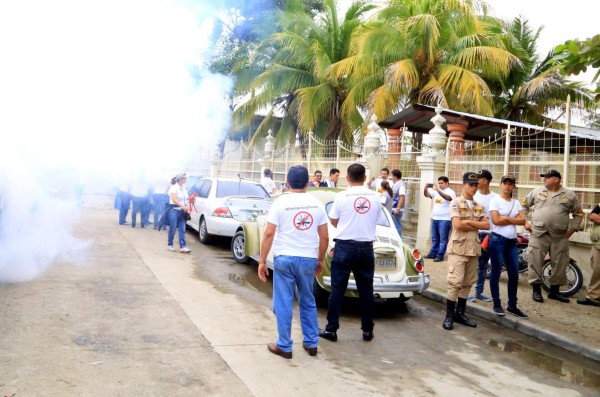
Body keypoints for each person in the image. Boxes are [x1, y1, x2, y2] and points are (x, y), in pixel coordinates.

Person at [257, 165, 329, 359]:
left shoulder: (280, 203)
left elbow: (269, 233)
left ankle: (285, 346)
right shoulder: (317, 204)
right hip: (308, 259)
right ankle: (311, 342)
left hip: (284, 258)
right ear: (308, 182)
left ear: (287, 183)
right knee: (307, 300)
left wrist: (262, 261)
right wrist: (320, 259)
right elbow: (324, 238)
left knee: (283, 302)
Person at [319, 163, 382, 342]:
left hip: (344, 247)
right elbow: (375, 218)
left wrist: (347, 228)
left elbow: (333, 220)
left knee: (337, 289)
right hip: (366, 248)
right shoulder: (375, 197)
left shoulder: (341, 196)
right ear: (364, 178)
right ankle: (367, 330)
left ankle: (331, 329)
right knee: (366, 290)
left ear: (347, 178)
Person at [523, 169, 584, 303]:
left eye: (547, 177)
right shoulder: (537, 191)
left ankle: (554, 292)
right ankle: (536, 291)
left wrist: (571, 230)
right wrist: (525, 222)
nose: (544, 179)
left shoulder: (569, 195)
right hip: (538, 233)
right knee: (535, 261)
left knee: (560, 263)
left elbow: (578, 214)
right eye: (544, 177)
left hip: (560, 235)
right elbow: (523, 206)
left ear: (556, 179)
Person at [442, 172, 489, 330]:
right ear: (464, 185)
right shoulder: (455, 202)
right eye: (471, 184)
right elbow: (458, 225)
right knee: (455, 282)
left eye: (476, 185)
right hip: (458, 248)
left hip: (473, 249)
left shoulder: (478, 206)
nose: (474, 187)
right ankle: (449, 315)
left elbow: (487, 225)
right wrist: (475, 223)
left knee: (468, 283)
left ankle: (459, 313)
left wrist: (467, 221)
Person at [488, 176, 528, 318]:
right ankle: (497, 304)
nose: (507, 186)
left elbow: (523, 220)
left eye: (510, 184)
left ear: (514, 187)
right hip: (497, 240)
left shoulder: (516, 202)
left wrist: (507, 219)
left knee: (514, 274)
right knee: (496, 272)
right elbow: (496, 220)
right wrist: (512, 220)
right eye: (505, 183)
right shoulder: (495, 200)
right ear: (500, 185)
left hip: (512, 242)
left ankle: (512, 305)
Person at [469, 169, 497, 302]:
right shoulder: (473, 196)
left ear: (485, 181)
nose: (476, 182)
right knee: (469, 264)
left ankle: (479, 292)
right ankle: (466, 292)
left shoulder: (495, 198)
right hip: (474, 234)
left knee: (483, 265)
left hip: (489, 236)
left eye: (478, 179)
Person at [424, 176, 456, 262]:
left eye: (442, 183)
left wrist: (438, 190)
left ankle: (440, 254)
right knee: (434, 238)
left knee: (443, 239)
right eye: (439, 183)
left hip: (445, 219)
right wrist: (425, 189)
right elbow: (428, 195)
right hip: (435, 218)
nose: (440, 185)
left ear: (447, 183)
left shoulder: (451, 192)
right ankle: (432, 253)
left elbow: (447, 198)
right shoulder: (435, 191)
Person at [579, 204, 600, 307]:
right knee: (597, 270)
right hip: (598, 244)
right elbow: (592, 216)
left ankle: (593, 297)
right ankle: (593, 297)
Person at [167, 173, 191, 253]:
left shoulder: (183, 188)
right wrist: (182, 206)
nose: (186, 179)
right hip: (174, 210)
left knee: (182, 229)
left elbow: (185, 199)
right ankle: (170, 244)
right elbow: (174, 199)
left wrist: (187, 207)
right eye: (184, 178)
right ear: (180, 179)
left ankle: (183, 246)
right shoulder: (174, 187)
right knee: (173, 228)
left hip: (182, 211)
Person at [390, 169, 405, 236]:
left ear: (395, 177)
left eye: (392, 176)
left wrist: (398, 208)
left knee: (397, 226)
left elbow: (402, 197)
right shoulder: (396, 184)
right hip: (393, 207)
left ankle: (398, 242)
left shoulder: (401, 185)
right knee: (394, 226)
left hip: (397, 209)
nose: (391, 177)